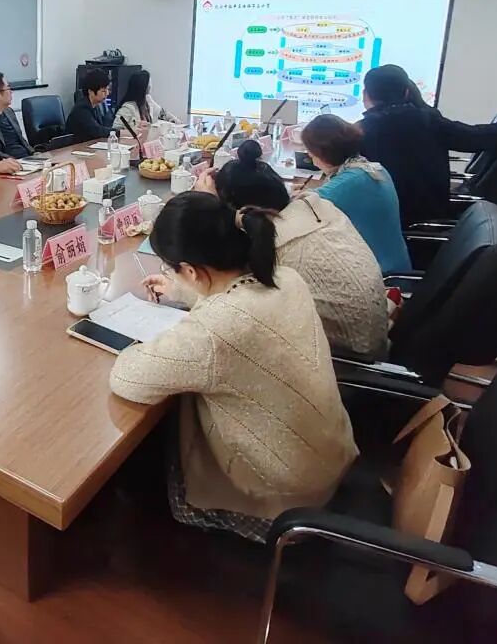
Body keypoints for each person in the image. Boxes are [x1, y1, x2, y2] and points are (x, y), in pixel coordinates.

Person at [109, 191, 357, 542]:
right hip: (326, 461)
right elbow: (232, 297)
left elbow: (128, 377)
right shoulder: (286, 278)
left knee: (149, 446)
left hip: (282, 502)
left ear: (191, 270)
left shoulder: (216, 330)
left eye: (171, 269)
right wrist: (186, 292)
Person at [200, 140, 389, 359]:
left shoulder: (270, 246)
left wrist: (208, 206)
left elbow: (215, 293)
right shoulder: (319, 209)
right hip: (373, 342)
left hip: (342, 362)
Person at [358, 64, 497, 226]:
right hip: (429, 211)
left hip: (396, 222)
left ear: (366, 95)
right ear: (406, 92)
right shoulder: (428, 120)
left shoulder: (362, 132)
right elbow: (482, 136)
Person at [301, 114, 412, 275]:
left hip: (379, 276)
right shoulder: (370, 168)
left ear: (323, 154)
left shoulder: (351, 182)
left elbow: (301, 208)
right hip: (389, 262)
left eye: (311, 154)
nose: (311, 159)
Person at [113, 69, 180, 132]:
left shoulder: (148, 100)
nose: (150, 86)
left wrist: (176, 121)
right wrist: (135, 129)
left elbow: (162, 113)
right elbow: (115, 130)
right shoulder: (128, 108)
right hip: (132, 139)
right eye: (149, 83)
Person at [0, 71, 33, 158]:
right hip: (9, 161)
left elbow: (22, 140)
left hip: (28, 159)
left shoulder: (9, 112)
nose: (11, 92)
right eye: (8, 88)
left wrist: (35, 154)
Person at [66, 68, 115, 141]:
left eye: (108, 90)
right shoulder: (81, 109)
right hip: (75, 146)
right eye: (103, 91)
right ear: (91, 92)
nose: (107, 94)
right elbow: (96, 131)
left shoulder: (96, 106)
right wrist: (118, 132)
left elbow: (105, 125)